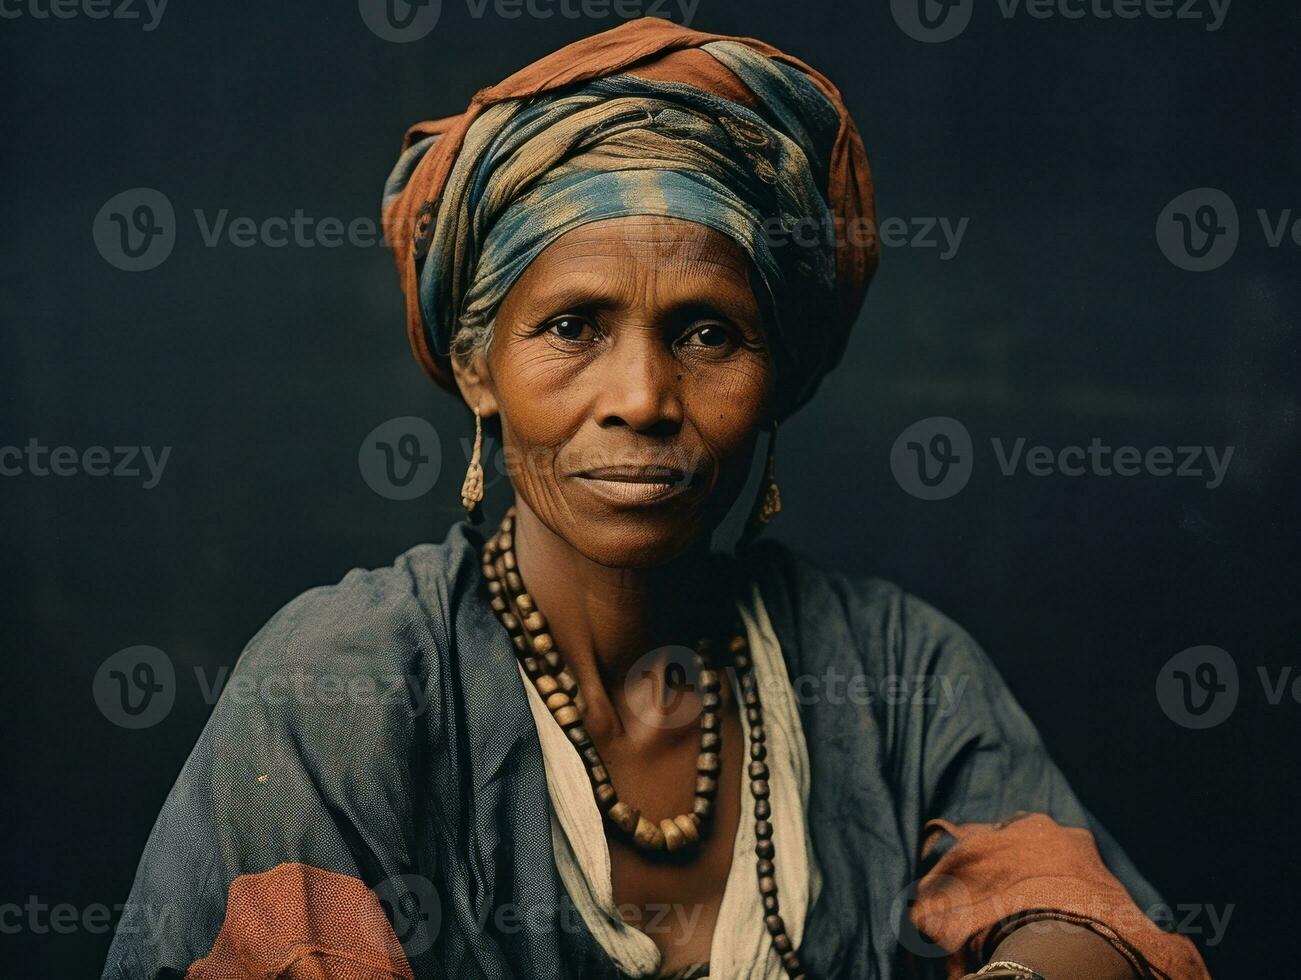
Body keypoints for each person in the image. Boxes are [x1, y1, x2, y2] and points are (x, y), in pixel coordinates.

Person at [103, 18, 1211, 980]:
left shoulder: (889, 667)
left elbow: (1086, 915)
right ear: (478, 366)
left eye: (706, 332)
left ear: (775, 375)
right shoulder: (347, 685)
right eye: (571, 326)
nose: (641, 396)